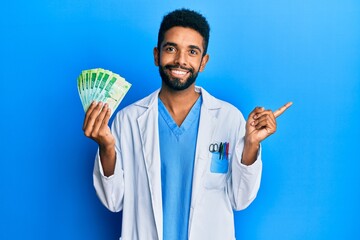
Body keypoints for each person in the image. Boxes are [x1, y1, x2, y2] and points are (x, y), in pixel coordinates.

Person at [83, 8, 292, 240]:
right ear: (156, 55)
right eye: (171, 48)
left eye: (192, 52)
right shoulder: (128, 120)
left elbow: (240, 200)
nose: (180, 60)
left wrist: (251, 144)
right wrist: (106, 147)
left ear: (203, 62)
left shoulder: (228, 117)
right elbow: (113, 201)